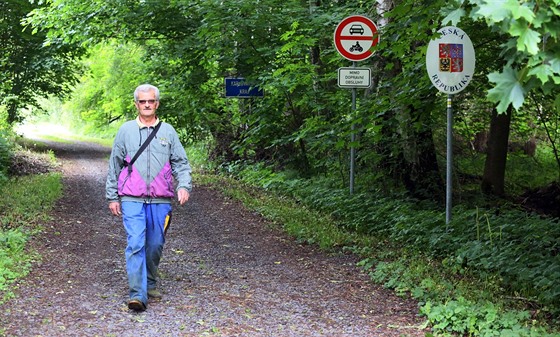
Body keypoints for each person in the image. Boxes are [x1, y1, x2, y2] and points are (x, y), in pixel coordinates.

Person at [106, 84, 192, 311]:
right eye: (142, 101)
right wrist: (112, 196)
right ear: (136, 104)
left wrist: (184, 185)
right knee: (135, 243)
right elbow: (114, 164)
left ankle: (151, 282)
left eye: (150, 101)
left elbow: (181, 163)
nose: (146, 105)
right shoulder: (125, 131)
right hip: (131, 198)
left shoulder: (168, 132)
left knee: (154, 245)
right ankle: (137, 294)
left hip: (160, 200)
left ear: (157, 104)